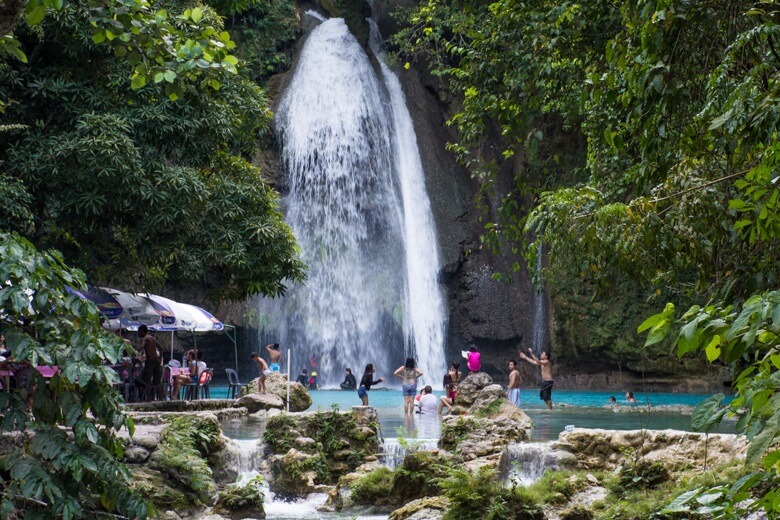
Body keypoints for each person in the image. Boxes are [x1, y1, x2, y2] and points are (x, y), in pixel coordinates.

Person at [138, 324, 163, 401]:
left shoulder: (145, 339)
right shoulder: (153, 338)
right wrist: (160, 359)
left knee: (147, 380)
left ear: (142, 331)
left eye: (139, 332)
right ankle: (161, 398)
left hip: (150, 361)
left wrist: (136, 350)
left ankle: (148, 398)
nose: (138, 333)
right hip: (156, 361)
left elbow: (141, 347)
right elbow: (161, 349)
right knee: (157, 381)